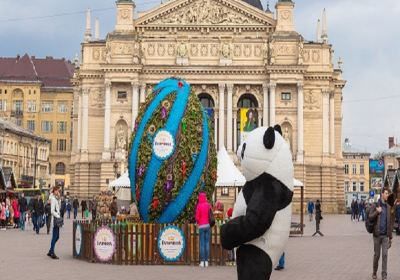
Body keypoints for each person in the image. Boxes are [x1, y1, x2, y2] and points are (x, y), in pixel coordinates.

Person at [368, 188, 393, 280]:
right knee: (377, 255)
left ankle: (384, 275)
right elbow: (370, 217)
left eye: (388, 194)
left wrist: (390, 237)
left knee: (385, 255)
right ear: (382, 194)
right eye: (386, 193)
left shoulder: (388, 207)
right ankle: (374, 272)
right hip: (377, 235)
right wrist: (376, 212)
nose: (387, 195)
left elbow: (389, 223)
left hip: (385, 236)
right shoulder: (375, 205)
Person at [195, 192, 211, 267]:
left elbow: (197, 218)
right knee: (207, 243)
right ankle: (206, 261)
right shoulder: (208, 205)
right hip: (207, 226)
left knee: (202, 244)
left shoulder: (199, 206)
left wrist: (198, 222)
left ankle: (202, 262)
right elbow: (210, 214)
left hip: (201, 226)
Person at [47, 186, 62, 259]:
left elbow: (59, 207)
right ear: (55, 191)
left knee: (57, 237)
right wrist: (58, 216)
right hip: (55, 220)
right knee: (54, 237)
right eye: (58, 191)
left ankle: (50, 250)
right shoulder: (52, 199)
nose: (58, 192)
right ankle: (52, 252)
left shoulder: (56, 198)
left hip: (57, 220)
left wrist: (59, 199)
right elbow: (52, 211)